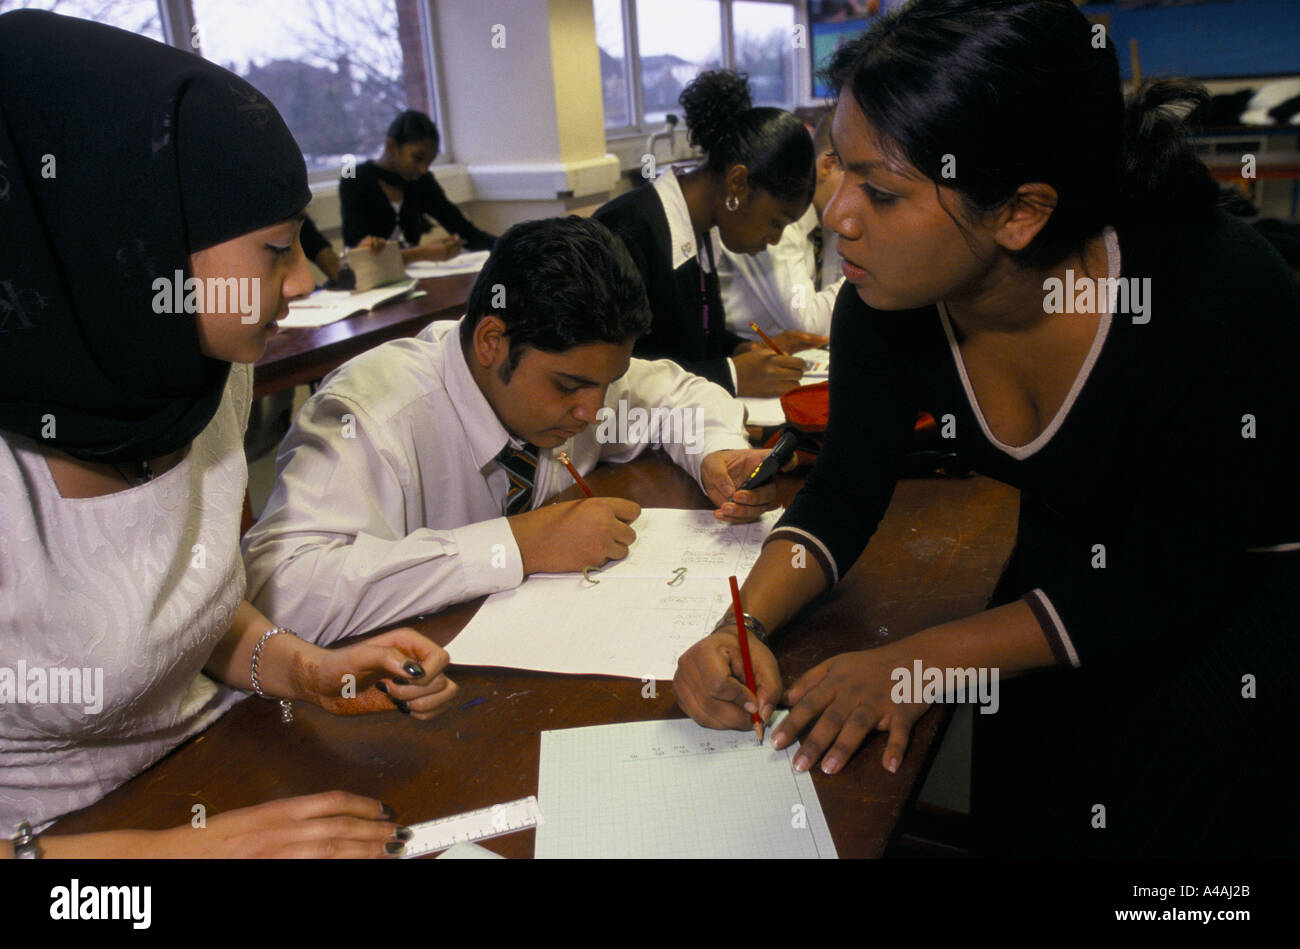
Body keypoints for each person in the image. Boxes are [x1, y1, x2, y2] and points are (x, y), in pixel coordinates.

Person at [672, 0, 1299, 857]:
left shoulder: (1213, 297)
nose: (837, 216)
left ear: (1020, 212)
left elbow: (1171, 573)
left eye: (882, 191)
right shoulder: (884, 305)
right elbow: (844, 490)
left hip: (1234, 605)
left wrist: (921, 659)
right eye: (839, 168)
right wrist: (737, 628)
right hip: (1059, 582)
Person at [0, 10, 453, 858]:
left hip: (220, 770)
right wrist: (193, 852)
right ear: (133, 244)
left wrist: (301, 667)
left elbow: (184, 613)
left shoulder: (207, 370)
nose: (304, 278)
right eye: (276, 248)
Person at [242, 216, 785, 645]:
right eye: (569, 387)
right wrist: (516, 546)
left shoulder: (579, 368)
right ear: (491, 341)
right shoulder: (369, 417)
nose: (594, 413)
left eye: (608, 384)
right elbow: (280, 591)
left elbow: (681, 394)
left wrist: (717, 451)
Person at [594, 71, 823, 397]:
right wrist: (729, 374)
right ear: (738, 184)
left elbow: (693, 345)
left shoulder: (703, 229)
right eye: (776, 223)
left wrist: (742, 350)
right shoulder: (627, 231)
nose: (774, 240)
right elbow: (610, 376)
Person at [718, 113, 844, 340]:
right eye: (860, 180)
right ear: (829, 165)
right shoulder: (772, 221)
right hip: (744, 350)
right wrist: (866, 278)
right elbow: (809, 324)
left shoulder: (825, 219)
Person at [339, 109, 496, 264]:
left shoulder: (421, 182)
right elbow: (356, 254)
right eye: (417, 158)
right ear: (391, 146)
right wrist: (423, 253)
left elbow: (466, 233)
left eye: (429, 162)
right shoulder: (355, 179)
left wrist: (512, 246)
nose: (423, 169)